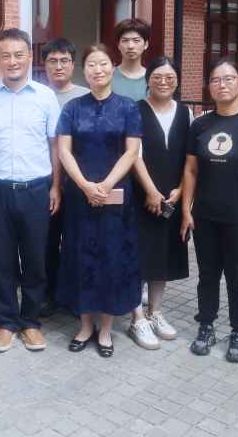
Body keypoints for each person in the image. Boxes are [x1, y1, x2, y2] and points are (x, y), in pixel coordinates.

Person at [0, 28, 62, 353]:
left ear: (29, 57)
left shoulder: (45, 96)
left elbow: (55, 145)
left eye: (18, 54)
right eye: (5, 55)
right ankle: (7, 322)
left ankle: (31, 321)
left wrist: (55, 186)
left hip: (37, 189)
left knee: (36, 259)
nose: (12, 61)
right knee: (2, 259)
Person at [181, 58, 238, 364]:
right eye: (215, 80)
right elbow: (190, 170)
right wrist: (186, 210)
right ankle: (206, 326)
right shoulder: (200, 125)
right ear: (209, 86)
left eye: (229, 78)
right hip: (205, 215)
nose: (221, 85)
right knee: (207, 275)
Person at [55, 45, 142, 358]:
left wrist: (104, 185)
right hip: (80, 197)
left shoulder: (128, 107)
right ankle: (85, 326)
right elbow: (64, 151)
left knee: (112, 259)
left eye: (103, 63)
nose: (98, 69)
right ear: (85, 69)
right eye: (91, 64)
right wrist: (84, 185)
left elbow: (132, 152)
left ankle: (105, 329)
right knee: (81, 258)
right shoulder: (73, 108)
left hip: (116, 198)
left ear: (112, 67)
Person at [130, 57, 193, 348]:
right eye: (156, 76)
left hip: (173, 197)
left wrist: (181, 189)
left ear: (177, 81)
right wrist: (151, 191)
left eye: (169, 77)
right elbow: (134, 155)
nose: (163, 82)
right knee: (140, 253)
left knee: (164, 252)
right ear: (148, 80)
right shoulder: (136, 110)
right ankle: (137, 317)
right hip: (142, 196)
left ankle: (154, 311)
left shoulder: (186, 113)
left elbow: (191, 157)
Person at [40, 38, 90, 317]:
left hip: (81, 183)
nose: (58, 66)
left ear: (73, 64)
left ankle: (74, 294)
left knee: (76, 239)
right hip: (45, 181)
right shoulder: (36, 94)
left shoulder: (87, 96)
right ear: (44, 65)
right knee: (48, 239)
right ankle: (49, 293)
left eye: (64, 60)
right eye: (52, 61)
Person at [110, 18, 150, 102]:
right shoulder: (108, 76)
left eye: (136, 40)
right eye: (125, 41)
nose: (130, 46)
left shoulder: (152, 78)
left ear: (145, 44)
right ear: (118, 45)